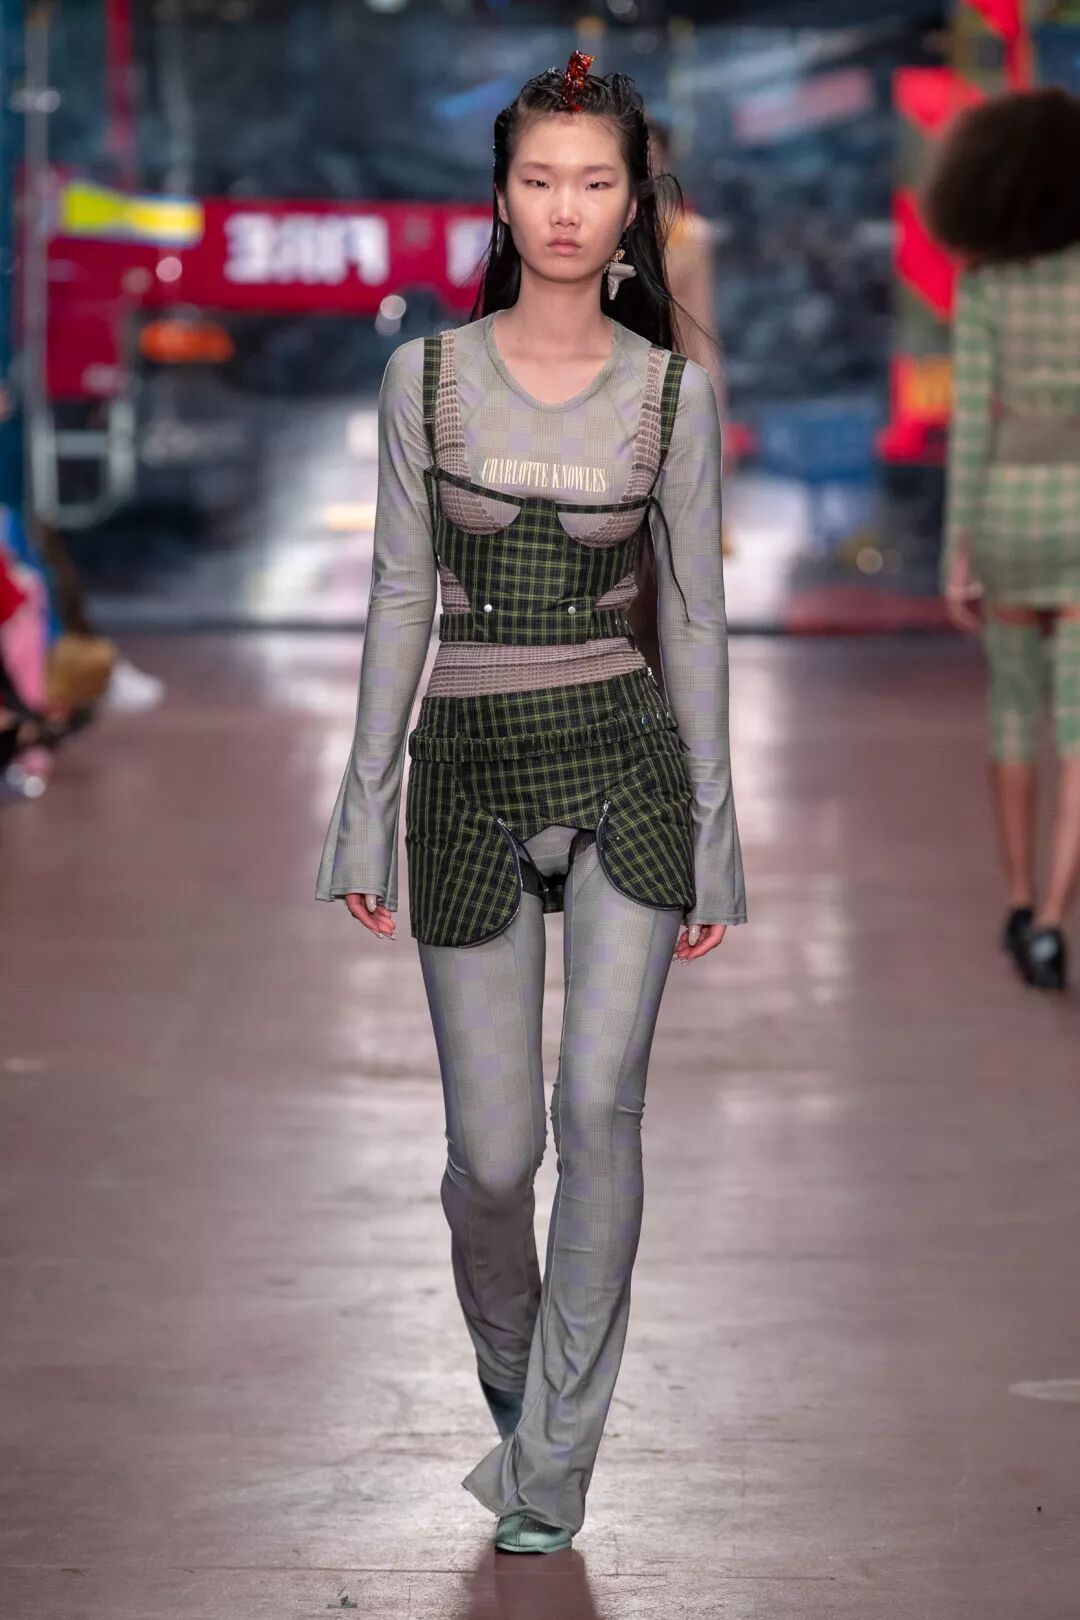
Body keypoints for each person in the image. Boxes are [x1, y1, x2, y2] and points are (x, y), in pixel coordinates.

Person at [316, 52, 746, 1552]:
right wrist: (362, 811)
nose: (567, 208)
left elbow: (694, 618)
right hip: (467, 774)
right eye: (541, 179)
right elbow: (395, 601)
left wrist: (716, 836)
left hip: (625, 761)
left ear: (634, 208)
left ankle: (555, 1462)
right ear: (502, 199)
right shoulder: (425, 380)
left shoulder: (673, 396)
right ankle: (520, 1390)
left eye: (596, 181)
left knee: (597, 1112)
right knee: (493, 1163)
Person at [923, 87, 1080, 993]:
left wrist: (960, 553)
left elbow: (972, 431)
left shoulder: (984, 287)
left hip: (1011, 515)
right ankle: (1057, 919)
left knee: (1013, 713)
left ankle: (1017, 900)